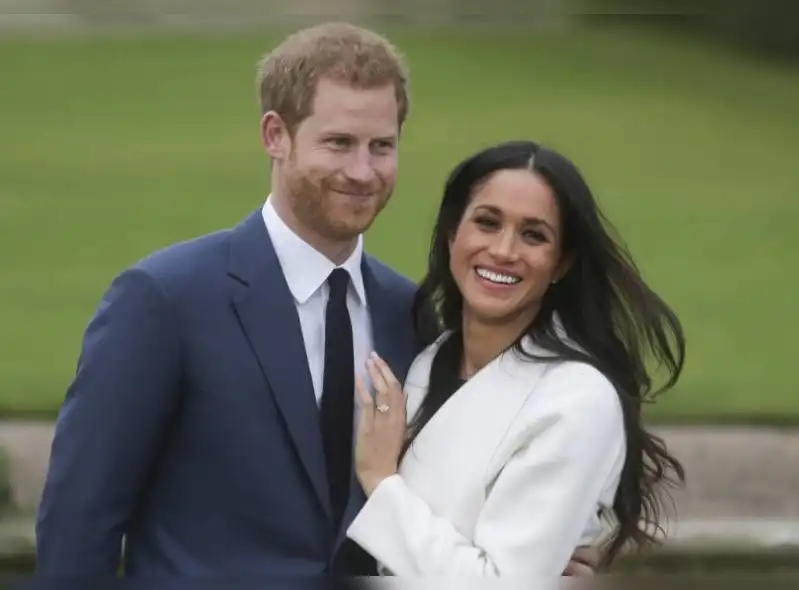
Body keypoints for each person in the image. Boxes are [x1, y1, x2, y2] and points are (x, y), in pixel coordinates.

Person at [33, 22, 600, 577]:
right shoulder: (165, 299)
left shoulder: (415, 315)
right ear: (275, 135)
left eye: (382, 146)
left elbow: (453, 486)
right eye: (339, 143)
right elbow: (79, 526)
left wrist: (538, 544)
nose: (362, 171)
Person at [339, 139, 687, 576]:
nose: (504, 250)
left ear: (561, 263)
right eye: (487, 222)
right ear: (453, 235)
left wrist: (380, 481)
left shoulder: (576, 400)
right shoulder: (428, 361)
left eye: (533, 235)